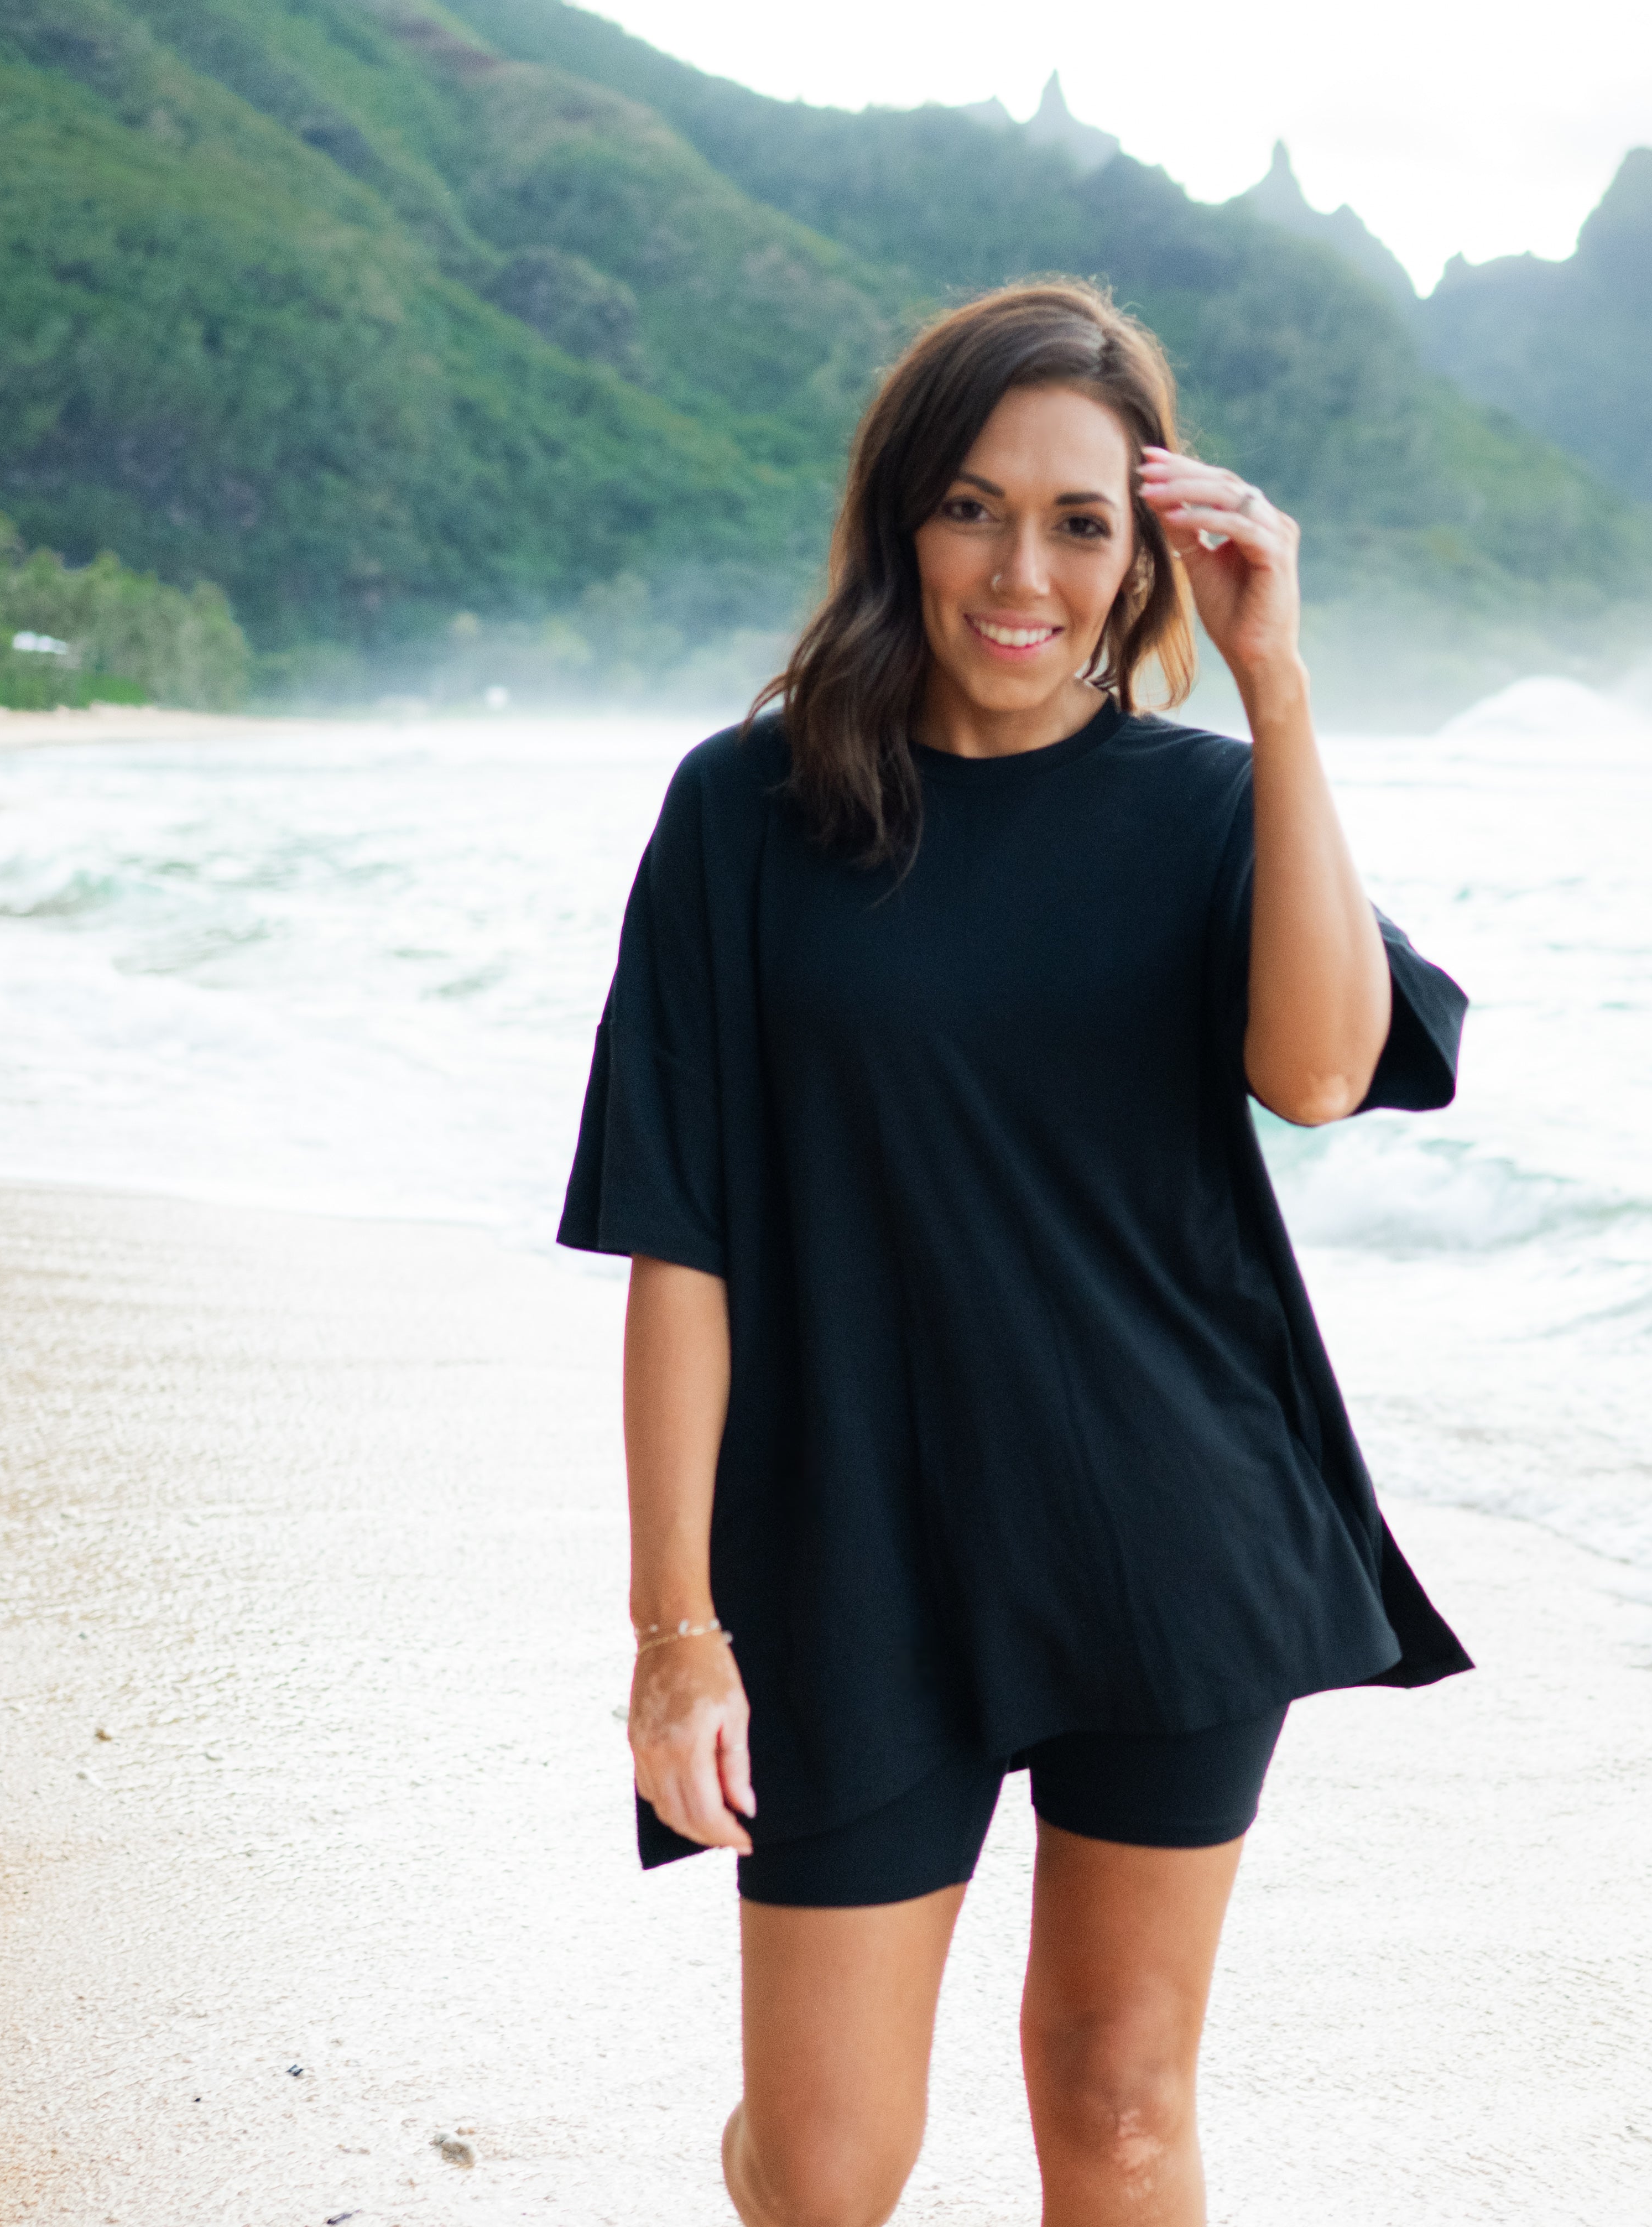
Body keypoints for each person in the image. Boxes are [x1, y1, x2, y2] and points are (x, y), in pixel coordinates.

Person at [559, 278, 1470, 2227]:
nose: (1020, 573)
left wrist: (1275, 687)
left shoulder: (1209, 807)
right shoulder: (743, 813)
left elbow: (1319, 1072)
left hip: (1163, 1526)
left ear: (1144, 553)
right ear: (901, 514)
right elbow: (678, 1237)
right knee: (822, 2166)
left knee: (1120, 2106)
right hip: (850, 1549)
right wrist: (672, 1632)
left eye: (1078, 523)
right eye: (972, 507)